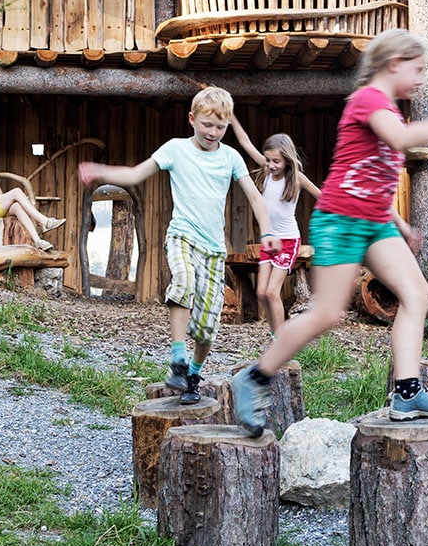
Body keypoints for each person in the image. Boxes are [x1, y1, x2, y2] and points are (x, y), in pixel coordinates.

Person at [229, 29, 428, 435]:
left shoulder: (386, 109)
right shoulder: (368, 99)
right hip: (342, 220)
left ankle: (407, 392)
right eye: (417, 68)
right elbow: (402, 139)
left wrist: (400, 223)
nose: (422, 78)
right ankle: (256, 376)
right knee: (327, 313)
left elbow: (370, 176)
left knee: (417, 293)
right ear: (394, 63)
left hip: (375, 223)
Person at [78, 86, 280, 406]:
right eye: (207, 125)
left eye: (220, 127)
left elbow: (255, 196)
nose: (213, 132)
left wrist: (268, 231)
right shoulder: (175, 149)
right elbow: (134, 173)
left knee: (207, 328)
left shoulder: (230, 157)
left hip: (214, 249)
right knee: (182, 281)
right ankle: (177, 359)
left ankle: (193, 376)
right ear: (191, 119)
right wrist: (101, 172)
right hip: (182, 236)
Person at [229, 115, 321, 337]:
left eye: (275, 162)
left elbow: (322, 196)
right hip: (269, 240)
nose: (270, 165)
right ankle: (275, 333)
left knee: (272, 292)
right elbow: (245, 143)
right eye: (268, 160)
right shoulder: (267, 170)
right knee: (261, 293)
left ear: (287, 160)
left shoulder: (297, 178)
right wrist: (231, 116)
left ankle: (281, 341)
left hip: (288, 240)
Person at [0, 143, 65, 251]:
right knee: (16, 192)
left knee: (16, 206)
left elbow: (1, 197)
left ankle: (38, 241)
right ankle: (45, 221)